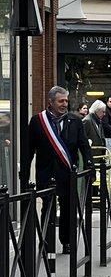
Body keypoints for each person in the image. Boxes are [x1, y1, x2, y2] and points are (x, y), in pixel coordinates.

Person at [22, 85, 94, 252]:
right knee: (48, 207)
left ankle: (67, 241)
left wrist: (90, 166)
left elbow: (84, 145)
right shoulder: (38, 121)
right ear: (51, 102)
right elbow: (28, 150)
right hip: (46, 172)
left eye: (66, 101)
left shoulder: (75, 121)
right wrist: (24, 174)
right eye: (61, 101)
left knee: (68, 208)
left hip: (68, 172)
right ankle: (46, 243)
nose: (64, 104)